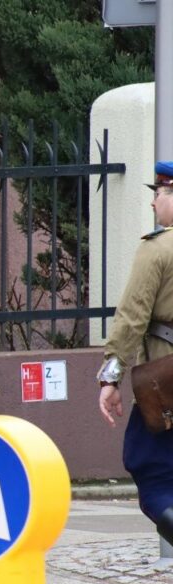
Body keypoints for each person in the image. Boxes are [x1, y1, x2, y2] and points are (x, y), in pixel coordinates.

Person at [98, 160, 173, 546]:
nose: (153, 203)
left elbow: (131, 317)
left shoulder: (157, 249)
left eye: (158, 194)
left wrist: (111, 377)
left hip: (165, 384)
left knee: (151, 469)